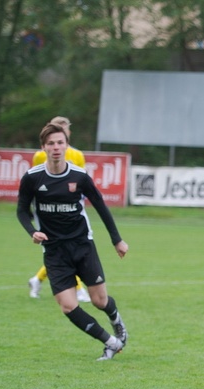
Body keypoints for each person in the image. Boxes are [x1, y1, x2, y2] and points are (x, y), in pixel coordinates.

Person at [16, 121, 129, 361]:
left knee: (100, 301)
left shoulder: (79, 176)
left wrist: (116, 240)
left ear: (66, 146)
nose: (56, 147)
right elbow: (21, 211)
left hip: (82, 246)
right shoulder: (32, 178)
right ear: (43, 147)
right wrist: (32, 231)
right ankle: (110, 343)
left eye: (60, 143)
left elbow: (101, 206)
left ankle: (116, 321)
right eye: (51, 143)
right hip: (54, 250)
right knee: (68, 305)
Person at [27, 116, 91, 303]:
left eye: (64, 130)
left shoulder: (78, 155)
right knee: (59, 248)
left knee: (64, 249)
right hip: (48, 211)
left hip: (70, 211)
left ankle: (37, 280)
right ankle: (78, 289)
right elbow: (34, 181)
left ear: (68, 134)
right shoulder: (40, 156)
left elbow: (83, 182)